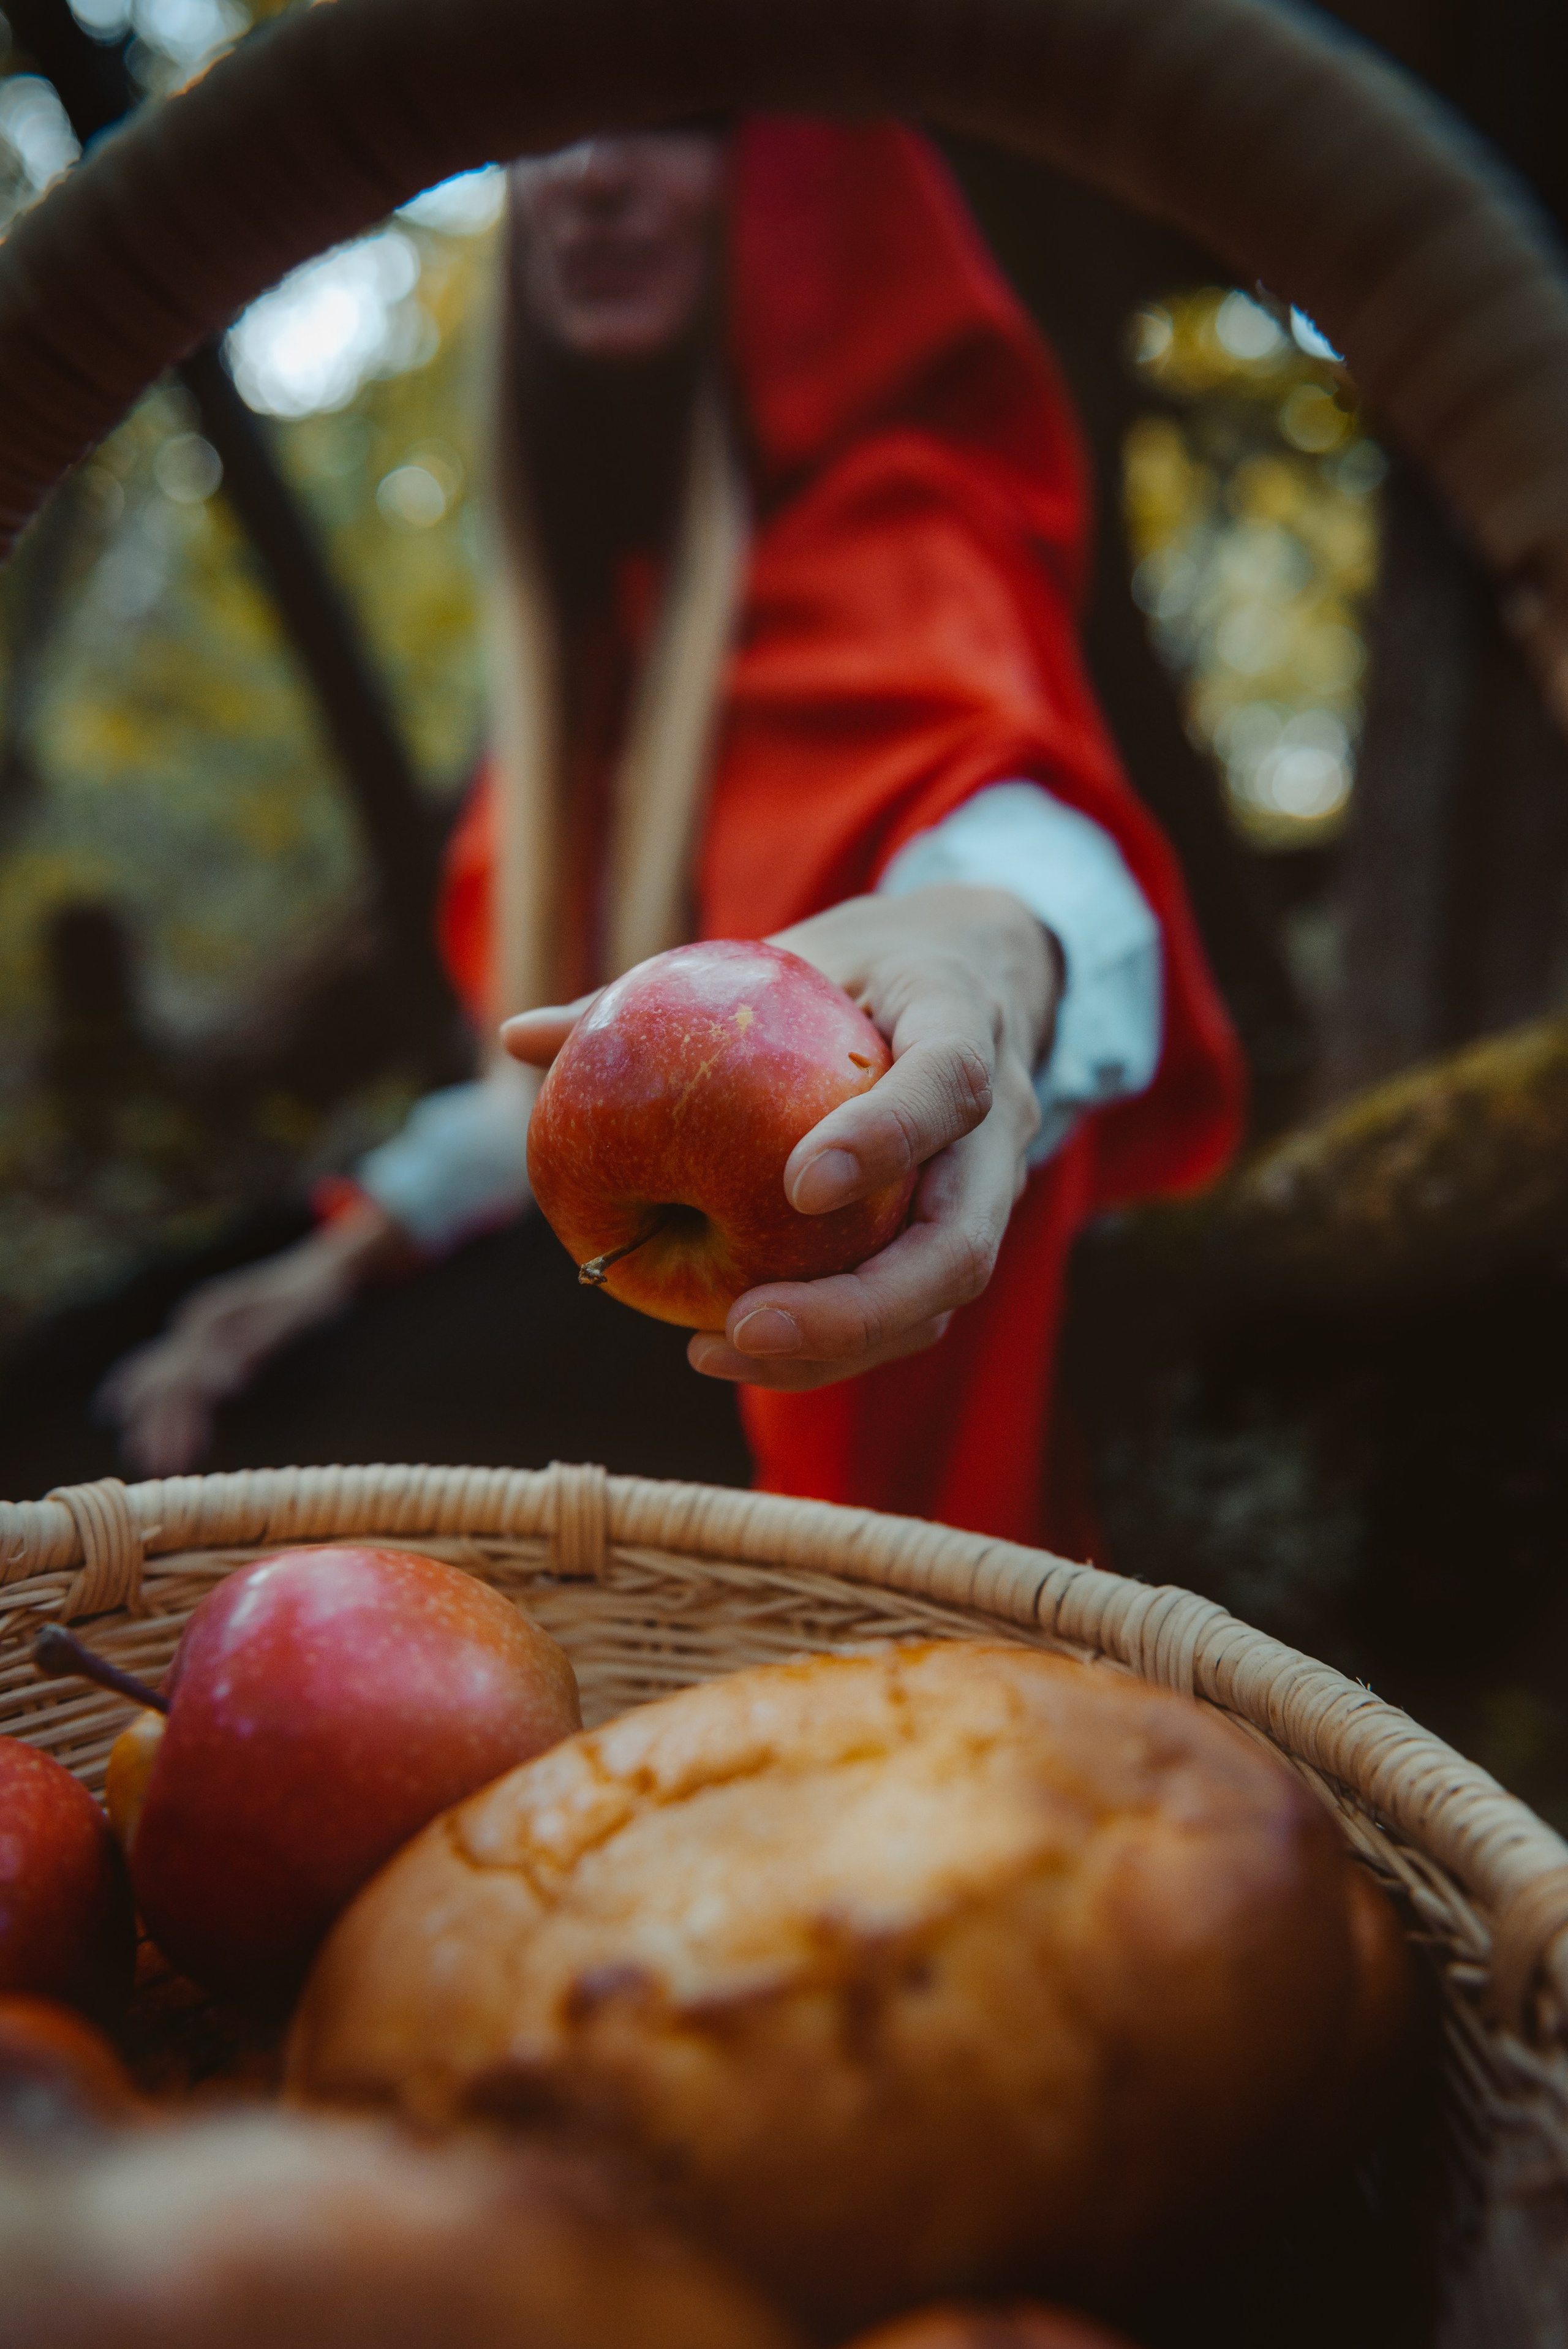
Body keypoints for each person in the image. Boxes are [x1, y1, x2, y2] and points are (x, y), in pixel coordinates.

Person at [99, 118, 1243, 1547]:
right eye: (552, 123)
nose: (591, 171)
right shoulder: (601, 664)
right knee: (116, 1346)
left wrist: (986, 958)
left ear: (811, 189)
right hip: (643, 1255)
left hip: (772, 1350)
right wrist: (340, 1253)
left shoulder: (894, 532)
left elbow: (1003, 823)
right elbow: (571, 1085)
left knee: (210, 1445)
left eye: (676, 121)